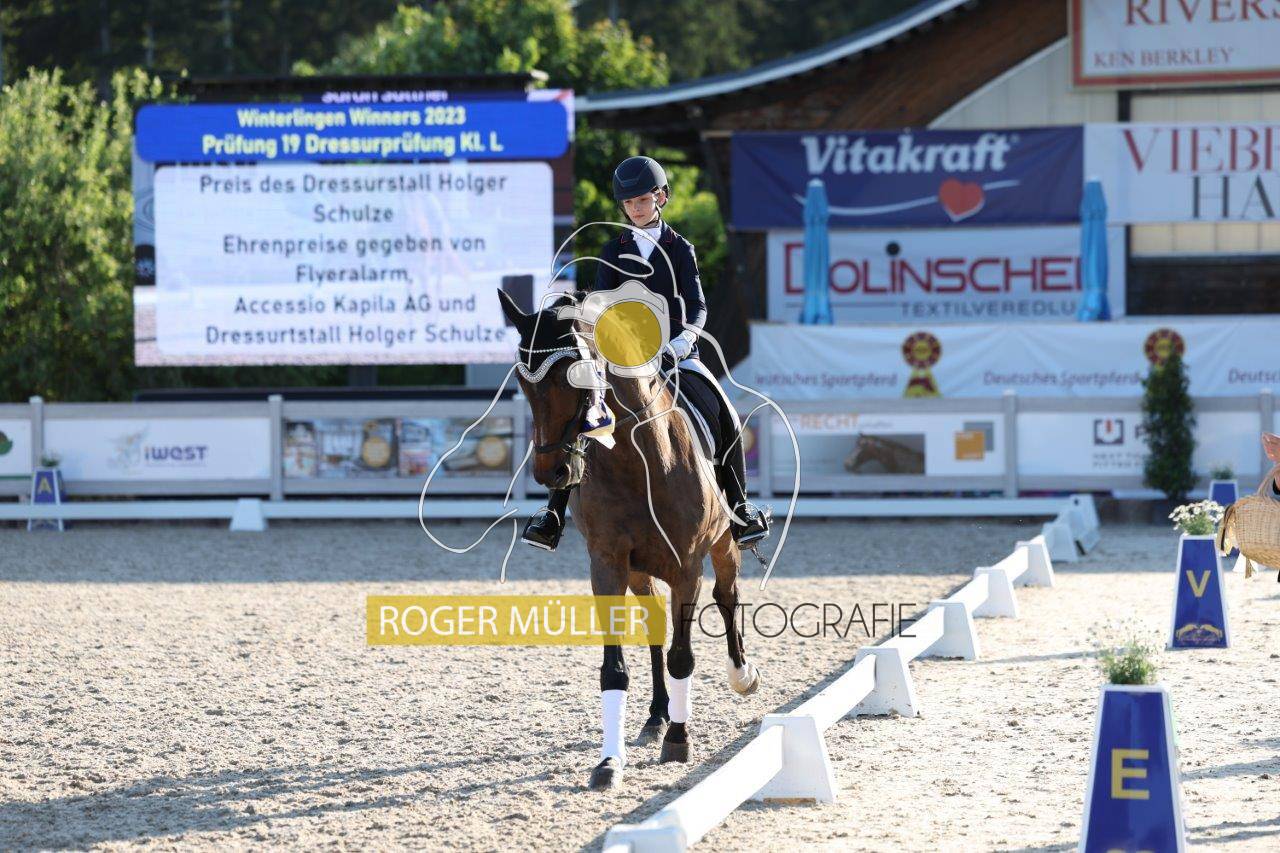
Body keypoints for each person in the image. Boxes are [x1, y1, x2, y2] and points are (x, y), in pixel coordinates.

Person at [521, 155, 770, 552]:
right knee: (582, 415)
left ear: (661, 198)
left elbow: (697, 305)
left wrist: (683, 342)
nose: (636, 209)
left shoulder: (680, 248)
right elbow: (600, 304)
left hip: (675, 354)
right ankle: (553, 511)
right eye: (629, 203)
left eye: (642, 200)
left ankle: (740, 506)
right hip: (623, 358)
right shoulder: (613, 249)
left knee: (720, 407)